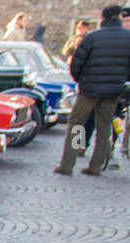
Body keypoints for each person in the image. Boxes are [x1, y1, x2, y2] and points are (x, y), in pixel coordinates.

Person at [55, 5, 130, 176]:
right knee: (104, 128)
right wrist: (122, 80)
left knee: (77, 124)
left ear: (103, 17)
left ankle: (68, 163)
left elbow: (76, 64)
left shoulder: (92, 37)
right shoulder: (128, 38)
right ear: (118, 17)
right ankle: (95, 166)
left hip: (89, 88)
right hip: (112, 90)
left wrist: (80, 80)